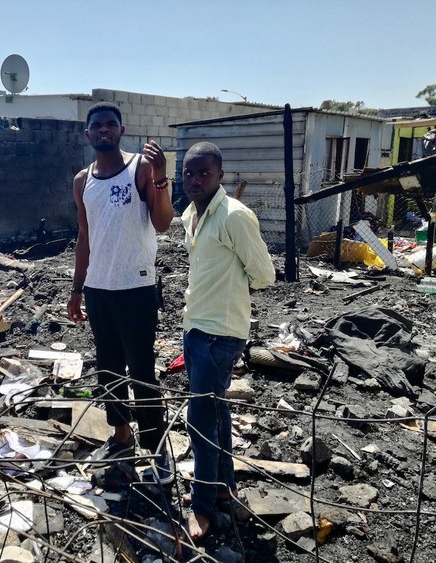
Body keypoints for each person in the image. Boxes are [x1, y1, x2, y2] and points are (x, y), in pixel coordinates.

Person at [67, 102, 175, 483]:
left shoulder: (140, 168)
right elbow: (84, 236)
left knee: (143, 370)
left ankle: (157, 449)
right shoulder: (83, 181)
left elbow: (162, 223)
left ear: (121, 129)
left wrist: (161, 178)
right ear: (88, 133)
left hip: (136, 287)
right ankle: (121, 435)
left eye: (110, 125)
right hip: (98, 289)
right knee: (108, 368)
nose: (104, 130)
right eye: (97, 126)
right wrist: (77, 289)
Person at [180, 142, 275, 539]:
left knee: (199, 418)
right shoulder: (190, 214)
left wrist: (234, 289)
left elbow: (265, 274)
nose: (196, 179)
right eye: (189, 173)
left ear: (220, 175)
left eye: (204, 172)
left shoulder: (235, 216)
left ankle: (201, 506)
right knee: (216, 412)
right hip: (195, 327)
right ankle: (223, 490)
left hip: (221, 334)